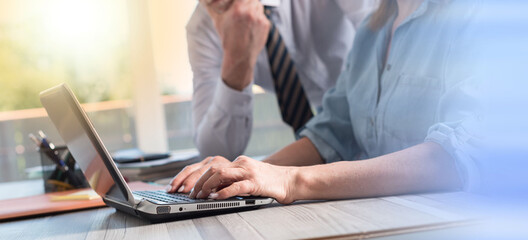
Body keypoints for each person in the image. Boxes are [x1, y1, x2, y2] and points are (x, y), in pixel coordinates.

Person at [170, 0, 480, 204]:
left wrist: (293, 180)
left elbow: (455, 156)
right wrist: (248, 172)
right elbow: (331, 133)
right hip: (380, 217)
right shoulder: (372, 31)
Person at [188, 0, 378, 161]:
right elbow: (216, 154)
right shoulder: (202, 28)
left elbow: (382, 40)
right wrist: (237, 61)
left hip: (371, 103)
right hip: (327, 134)